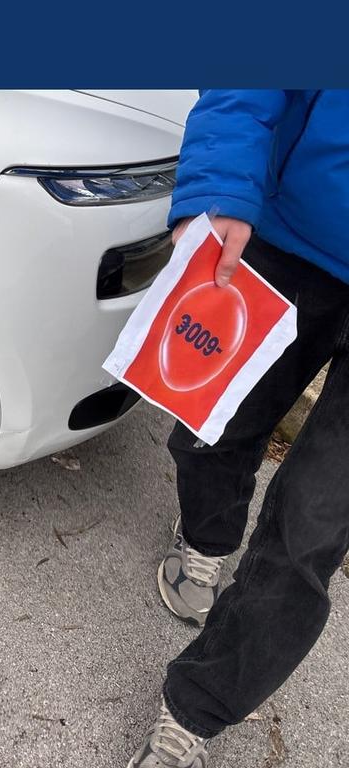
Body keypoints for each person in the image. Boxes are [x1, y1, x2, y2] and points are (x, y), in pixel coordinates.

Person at [128, 90, 349, 768]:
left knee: (314, 528)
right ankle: (205, 539)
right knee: (217, 423)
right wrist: (221, 185)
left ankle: (195, 711)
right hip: (292, 231)